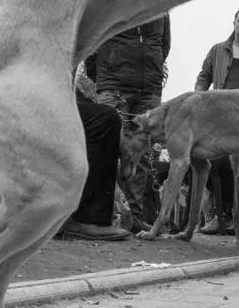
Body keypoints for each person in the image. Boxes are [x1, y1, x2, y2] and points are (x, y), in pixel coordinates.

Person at [85, 15, 170, 233]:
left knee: (139, 158)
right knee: (106, 151)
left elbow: (164, 45)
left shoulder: (163, 9)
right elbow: (94, 43)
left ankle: (135, 216)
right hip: (114, 86)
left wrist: (153, 72)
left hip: (148, 90)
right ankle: (102, 215)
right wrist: (105, 78)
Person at [193, 7, 239, 235]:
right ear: (234, 22)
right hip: (220, 117)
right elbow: (204, 76)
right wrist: (199, 98)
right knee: (215, 165)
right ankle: (218, 217)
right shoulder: (218, 50)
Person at [58, 65, 132, 240]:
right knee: (105, 120)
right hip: (28, 96)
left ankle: (87, 216)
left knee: (105, 116)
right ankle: (86, 218)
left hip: (50, 92)